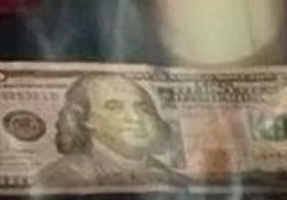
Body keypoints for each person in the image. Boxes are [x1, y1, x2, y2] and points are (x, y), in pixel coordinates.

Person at [38, 73, 185, 188]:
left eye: (143, 108)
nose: (135, 118)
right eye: (114, 107)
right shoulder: (60, 177)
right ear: (85, 119)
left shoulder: (180, 182)